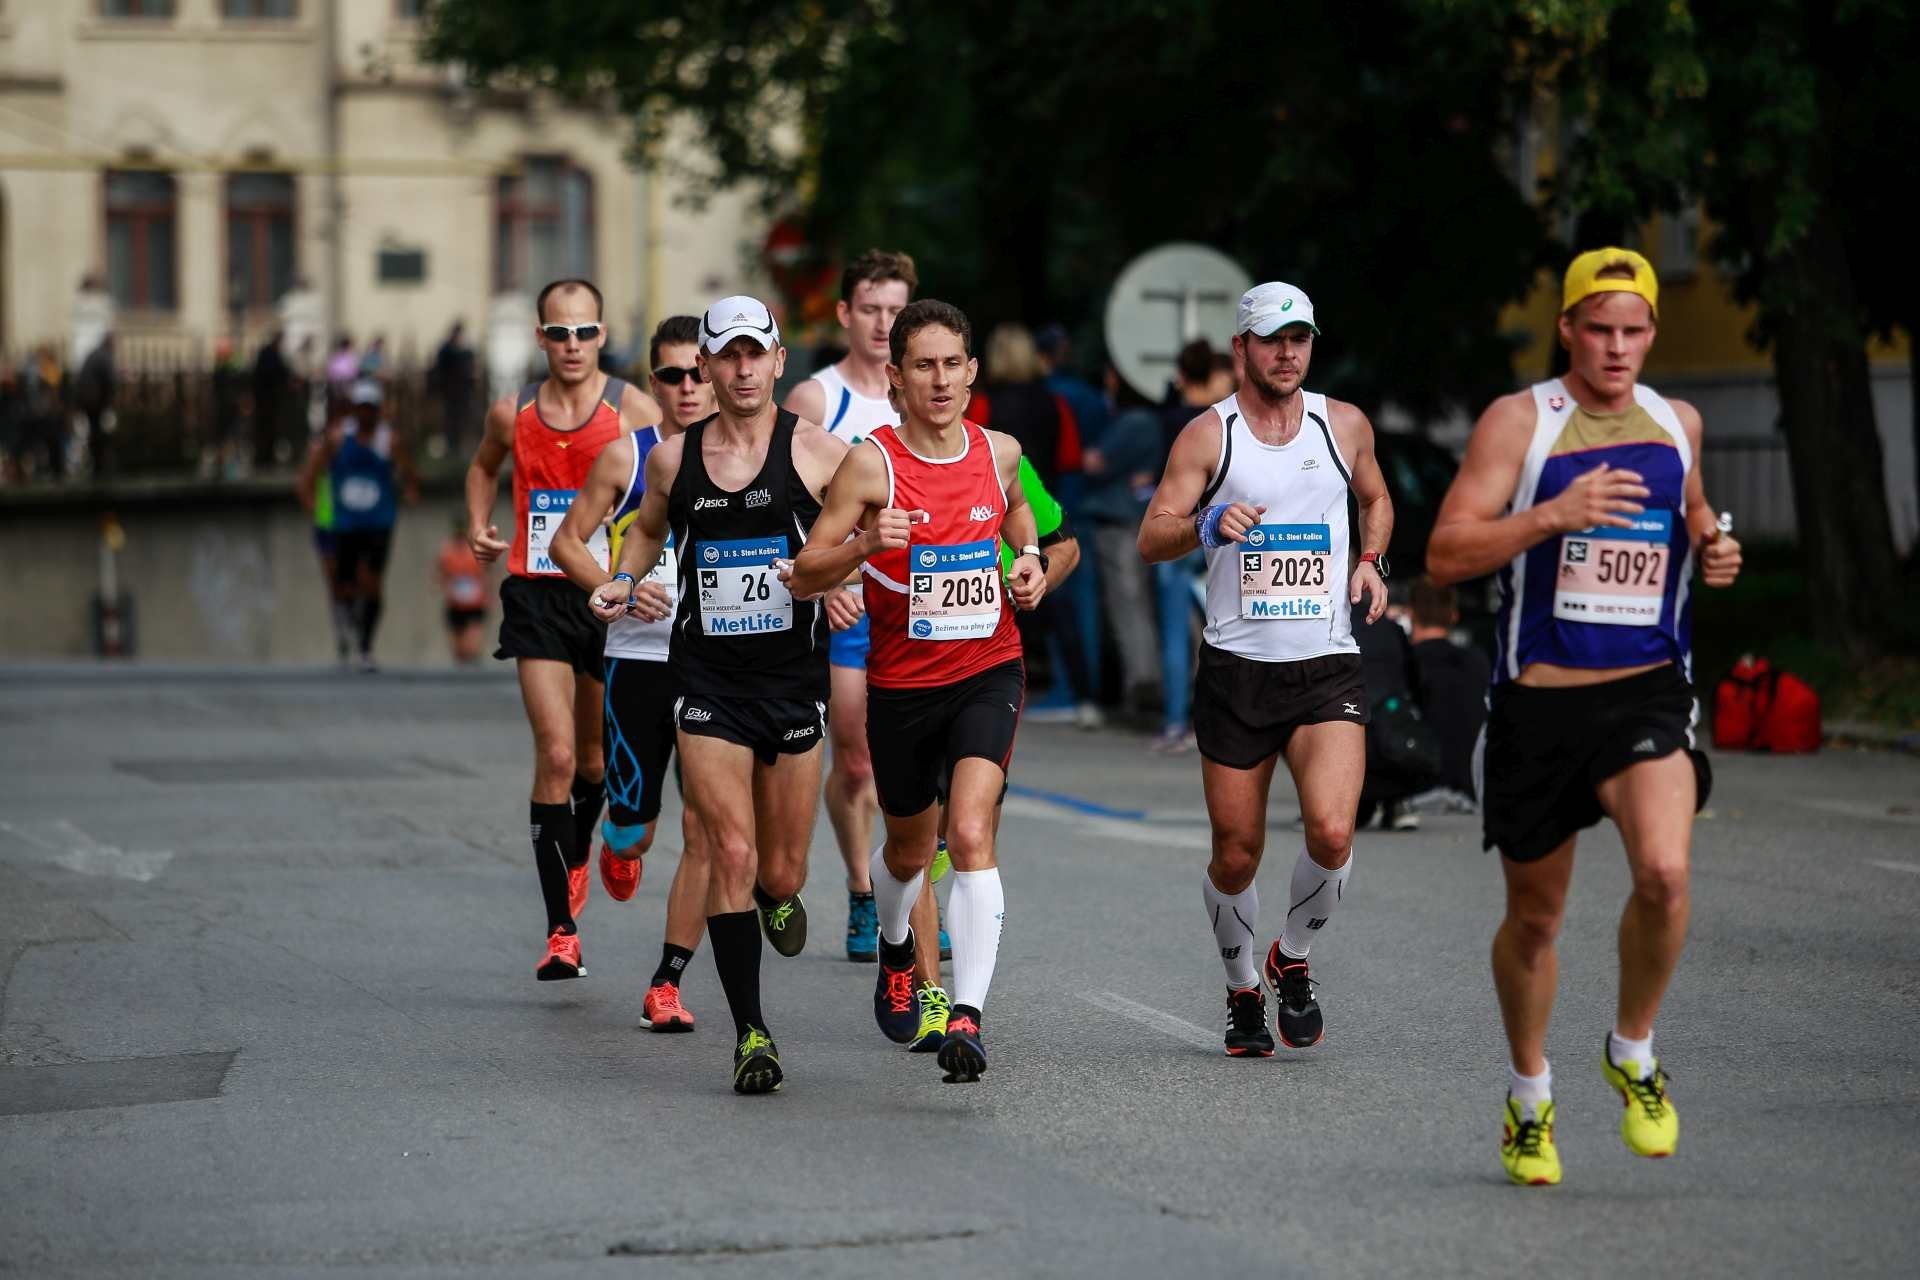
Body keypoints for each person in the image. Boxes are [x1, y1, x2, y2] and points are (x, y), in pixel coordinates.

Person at [1426, 248, 1743, 1187]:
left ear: (1652, 333)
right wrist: (1551, 514)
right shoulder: (1521, 422)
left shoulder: (1678, 423)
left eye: (1633, 330)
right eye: (1598, 329)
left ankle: (1631, 1049)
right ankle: (1530, 1099)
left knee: (1666, 873)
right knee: (1536, 919)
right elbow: (1445, 554)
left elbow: (1693, 514)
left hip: (1647, 690)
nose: (1616, 347)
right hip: (1538, 703)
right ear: (1566, 328)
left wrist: (1713, 547)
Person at [590, 295, 848, 1095]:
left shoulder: (821, 453)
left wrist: (844, 576)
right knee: (729, 850)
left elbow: (866, 527)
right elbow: (647, 527)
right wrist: (624, 577)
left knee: (783, 870)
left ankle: (777, 895)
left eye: (754, 353)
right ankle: (752, 1036)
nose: (741, 369)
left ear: (778, 361)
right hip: (706, 679)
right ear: (704, 366)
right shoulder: (674, 461)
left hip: (793, 681)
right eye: (726, 355)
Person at [785, 298, 1048, 1083]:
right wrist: (865, 543)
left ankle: (966, 1015)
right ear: (896, 378)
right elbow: (805, 573)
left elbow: (1020, 514)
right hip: (902, 684)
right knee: (907, 852)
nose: (939, 380)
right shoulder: (872, 465)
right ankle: (896, 945)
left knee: (967, 833)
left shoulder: (1000, 452)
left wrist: (1029, 560)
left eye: (952, 364)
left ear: (972, 372)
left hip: (989, 668)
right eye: (923, 366)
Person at [1138, 281, 1393, 1059]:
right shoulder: (1208, 436)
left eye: (1300, 338)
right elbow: (1152, 536)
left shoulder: (1342, 425)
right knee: (1236, 853)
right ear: (1241, 348)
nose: (1288, 353)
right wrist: (1207, 523)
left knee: (1334, 831)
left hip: (1326, 665)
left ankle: (1294, 956)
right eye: (1273, 339)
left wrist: (1373, 560)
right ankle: (1243, 984)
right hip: (1238, 671)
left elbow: (1376, 499)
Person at [464, 278, 662, 981]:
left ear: (601, 335)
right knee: (554, 755)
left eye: (584, 332)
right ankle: (560, 932)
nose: (572, 345)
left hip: (608, 597)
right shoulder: (512, 412)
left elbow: (668, 487)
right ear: (541, 338)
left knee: (594, 761)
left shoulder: (633, 410)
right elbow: (482, 467)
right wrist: (479, 523)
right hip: (537, 596)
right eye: (558, 332)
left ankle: (584, 849)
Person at [550, 315, 715, 1033]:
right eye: (673, 376)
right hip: (638, 662)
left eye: (699, 373)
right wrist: (614, 584)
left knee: (706, 827)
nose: (689, 387)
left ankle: (666, 982)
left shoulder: (747, 459)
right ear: (655, 384)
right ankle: (617, 840)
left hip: (714, 669)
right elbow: (566, 541)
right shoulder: (627, 456)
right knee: (635, 834)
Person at [782, 249, 916, 962]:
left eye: (896, 310)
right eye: (870, 309)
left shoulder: (930, 389)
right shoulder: (816, 398)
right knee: (858, 764)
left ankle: (909, 895)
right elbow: (785, 510)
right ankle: (864, 890)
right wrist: (830, 583)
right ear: (844, 313)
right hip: (852, 609)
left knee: (919, 767)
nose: (883, 323)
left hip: (922, 608)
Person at [980, 323, 1100, 729]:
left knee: (998, 599)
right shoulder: (1055, 402)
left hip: (994, 514)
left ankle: (994, 687)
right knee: (1060, 605)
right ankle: (1081, 695)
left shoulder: (982, 406)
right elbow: (1070, 459)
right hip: (1048, 506)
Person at [1083, 366, 1168, 726]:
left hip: (1120, 524)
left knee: (1128, 606)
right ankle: (1144, 685)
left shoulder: (1135, 420)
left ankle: (1143, 686)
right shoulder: (1147, 420)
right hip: (1130, 519)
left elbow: (1094, 462)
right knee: (1136, 605)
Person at [323, 379, 415, 671]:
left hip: (378, 522)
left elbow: (409, 474)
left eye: (370, 408)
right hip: (346, 523)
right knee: (345, 583)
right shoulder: (339, 438)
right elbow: (318, 469)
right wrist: (318, 510)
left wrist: (408, 490)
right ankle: (348, 621)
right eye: (361, 407)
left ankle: (365, 645)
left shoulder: (389, 441)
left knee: (373, 583)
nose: (366, 414)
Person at [1406, 576, 1489, 809]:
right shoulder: (1478, 663)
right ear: (1454, 615)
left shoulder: (1405, 664)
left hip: (1420, 790)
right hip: (1473, 789)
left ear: (1410, 613)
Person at [437, 515, 489, 664]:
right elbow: (440, 574)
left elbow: (487, 573)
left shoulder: (476, 549)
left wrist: (488, 594)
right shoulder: (447, 551)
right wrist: (446, 586)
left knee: (470, 647)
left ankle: (472, 661)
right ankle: (464, 668)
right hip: (455, 604)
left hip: (475, 604)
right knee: (459, 650)